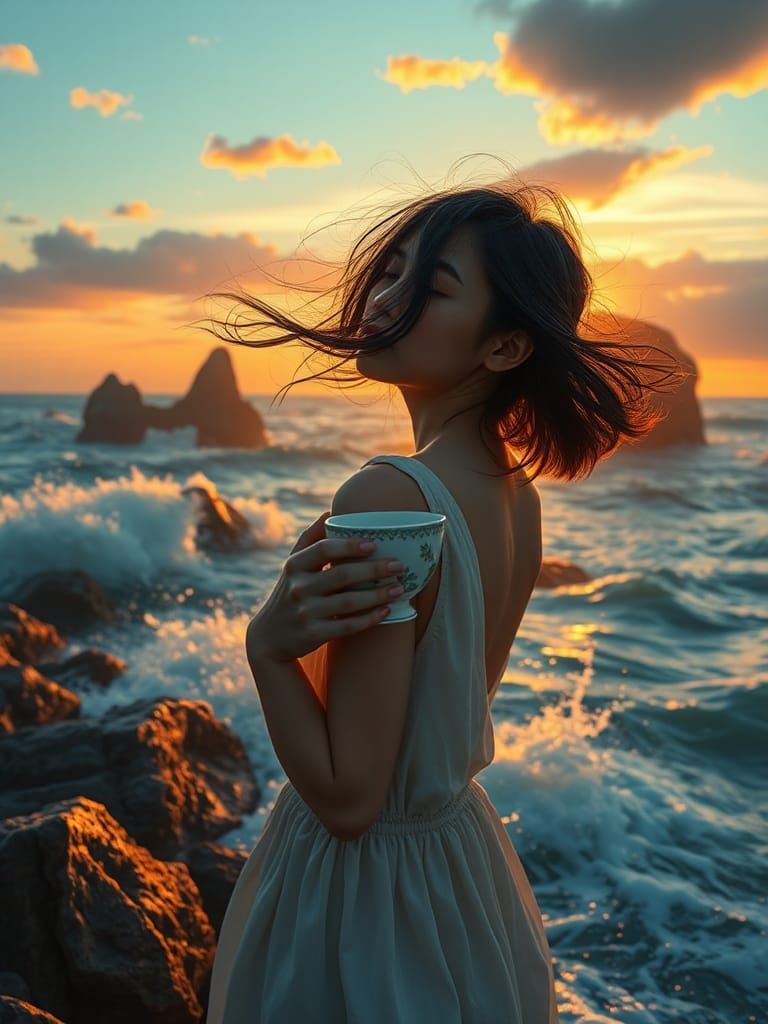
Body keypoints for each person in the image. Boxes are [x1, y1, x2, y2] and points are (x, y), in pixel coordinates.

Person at [193, 159, 689, 1022]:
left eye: (433, 285)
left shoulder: (389, 495)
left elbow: (350, 799)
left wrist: (266, 651)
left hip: (364, 902)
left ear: (505, 347)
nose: (388, 296)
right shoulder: (516, 493)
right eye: (392, 270)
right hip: (463, 879)